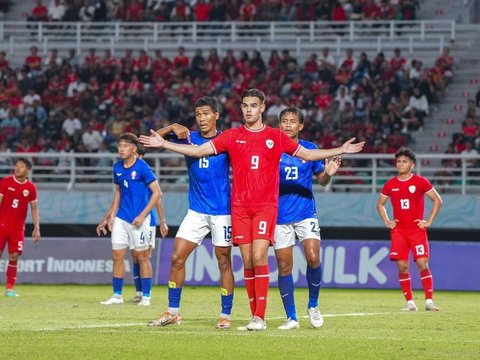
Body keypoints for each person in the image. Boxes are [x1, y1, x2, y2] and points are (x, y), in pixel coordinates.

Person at [140, 88, 364, 331]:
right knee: (247, 261)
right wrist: (164, 144)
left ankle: (260, 317)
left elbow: (308, 154)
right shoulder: (232, 136)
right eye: (245, 106)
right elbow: (197, 150)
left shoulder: (275, 136)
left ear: (263, 108)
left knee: (258, 257)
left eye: (253, 105)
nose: (248, 110)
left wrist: (340, 149)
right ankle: (252, 316)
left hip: (265, 207)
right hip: (239, 208)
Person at [147, 96, 235, 330]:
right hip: (196, 211)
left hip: (221, 212)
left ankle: (225, 315)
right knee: (176, 258)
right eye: (198, 114)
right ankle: (173, 312)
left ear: (216, 115)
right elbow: (146, 142)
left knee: (223, 262)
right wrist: (171, 126)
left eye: (206, 113)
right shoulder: (189, 137)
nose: (202, 118)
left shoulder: (226, 139)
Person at [274, 107, 341, 330]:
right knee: (284, 266)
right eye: (284, 121)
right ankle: (291, 317)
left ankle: (313, 305)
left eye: (292, 121)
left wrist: (328, 173)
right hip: (279, 215)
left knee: (313, 257)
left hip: (305, 213)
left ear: (300, 126)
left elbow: (321, 180)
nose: (287, 125)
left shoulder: (310, 150)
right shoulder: (272, 149)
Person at [98, 145, 169, 304]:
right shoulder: (121, 170)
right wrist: (109, 217)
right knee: (133, 256)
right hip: (126, 218)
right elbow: (118, 195)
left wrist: (162, 221)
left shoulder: (145, 171)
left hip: (146, 220)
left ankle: (145, 294)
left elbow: (158, 198)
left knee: (143, 256)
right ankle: (135, 292)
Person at [376, 147, 443, 312]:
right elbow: (380, 204)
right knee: (402, 266)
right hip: (399, 232)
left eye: (404, 161)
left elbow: (437, 200)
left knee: (422, 263)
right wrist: (387, 221)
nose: (400, 164)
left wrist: (428, 221)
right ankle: (410, 302)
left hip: (417, 231)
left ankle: (428, 301)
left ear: (412, 165)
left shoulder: (421, 182)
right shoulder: (390, 184)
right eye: (398, 161)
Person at [0, 158, 41, 297]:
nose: (18, 168)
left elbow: (34, 208)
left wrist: (37, 228)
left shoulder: (30, 188)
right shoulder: (5, 182)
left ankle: (10, 288)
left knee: (14, 255)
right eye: (16, 166)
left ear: (28, 170)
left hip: (17, 229)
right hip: (2, 226)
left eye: (21, 166)